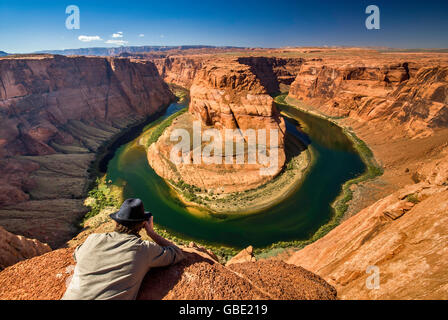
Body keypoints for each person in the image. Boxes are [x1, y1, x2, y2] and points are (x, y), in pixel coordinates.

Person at [62, 198, 184, 300]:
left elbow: (76, 254)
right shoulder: (144, 249)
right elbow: (177, 253)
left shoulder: (92, 239)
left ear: (116, 223)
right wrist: (151, 232)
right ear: (142, 225)